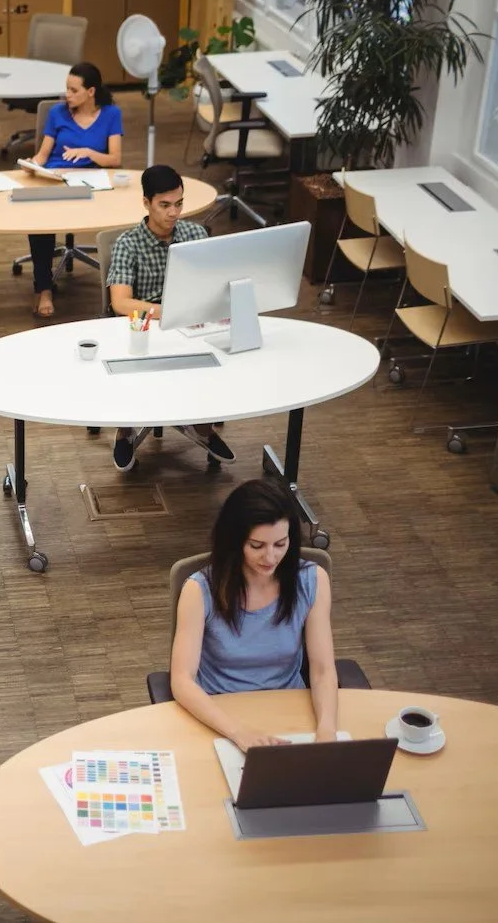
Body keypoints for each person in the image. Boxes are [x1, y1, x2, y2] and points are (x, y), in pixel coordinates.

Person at [168, 479, 339, 752]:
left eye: (280, 544)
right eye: (257, 546)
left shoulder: (311, 580)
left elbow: (322, 670)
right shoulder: (199, 590)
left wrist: (327, 730)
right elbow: (182, 680)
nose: (270, 557)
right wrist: (238, 732)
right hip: (219, 716)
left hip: (289, 710)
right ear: (235, 542)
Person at [106, 164, 233, 471]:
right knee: (135, 360)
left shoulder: (195, 233)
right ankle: (125, 431)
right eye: (164, 205)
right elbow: (120, 303)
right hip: (145, 326)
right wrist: (168, 312)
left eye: (179, 204)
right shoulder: (128, 243)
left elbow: (212, 282)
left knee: (220, 356)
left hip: (190, 323)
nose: (173, 212)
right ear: (146, 203)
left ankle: (202, 426)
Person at [25, 62, 123, 318]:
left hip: (93, 184)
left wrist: (89, 152)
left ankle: (120, 292)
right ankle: (43, 288)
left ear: (91, 91)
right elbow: (43, 155)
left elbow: (114, 159)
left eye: (73, 90)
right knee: (39, 223)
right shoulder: (57, 113)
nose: (66, 95)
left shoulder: (111, 114)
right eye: (66, 89)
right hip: (56, 179)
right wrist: (32, 165)